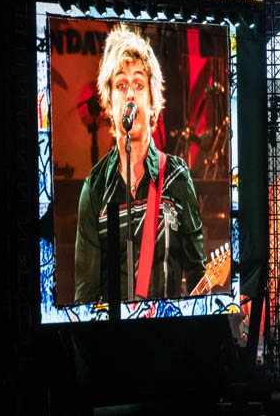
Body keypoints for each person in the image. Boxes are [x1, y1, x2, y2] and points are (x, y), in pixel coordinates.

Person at [74, 25, 206, 302]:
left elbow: (197, 273)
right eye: (121, 85)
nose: (130, 94)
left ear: (153, 100)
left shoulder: (176, 177)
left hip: (168, 338)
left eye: (138, 84)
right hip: (113, 341)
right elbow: (85, 294)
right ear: (109, 102)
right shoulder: (95, 188)